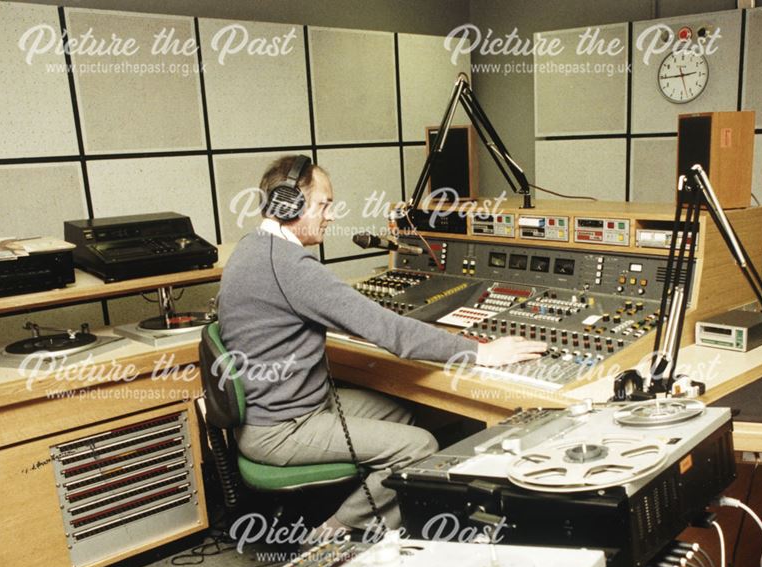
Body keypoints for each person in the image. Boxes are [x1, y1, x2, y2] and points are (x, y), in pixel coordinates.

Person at [217, 154, 544, 533]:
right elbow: (390, 332)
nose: (332, 215)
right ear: (290, 204)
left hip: (280, 409)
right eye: (324, 205)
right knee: (418, 447)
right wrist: (481, 352)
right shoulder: (291, 267)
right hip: (281, 428)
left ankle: (383, 515)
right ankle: (337, 530)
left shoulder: (251, 247)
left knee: (399, 413)